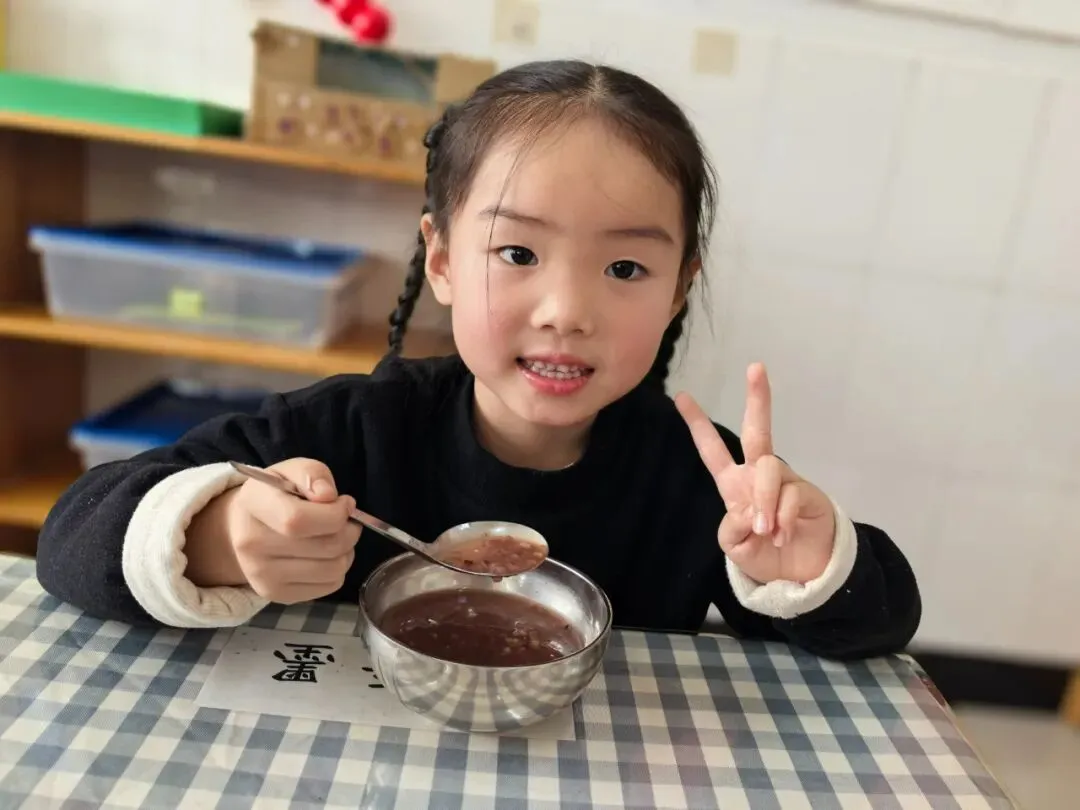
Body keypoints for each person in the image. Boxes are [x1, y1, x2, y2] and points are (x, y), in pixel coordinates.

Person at [35, 60, 919, 660]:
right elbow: (70, 535)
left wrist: (805, 569)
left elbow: (882, 626)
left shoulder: (704, 480)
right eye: (518, 253)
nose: (567, 311)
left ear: (679, 289)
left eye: (625, 269)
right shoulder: (350, 430)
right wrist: (218, 535)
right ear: (444, 259)